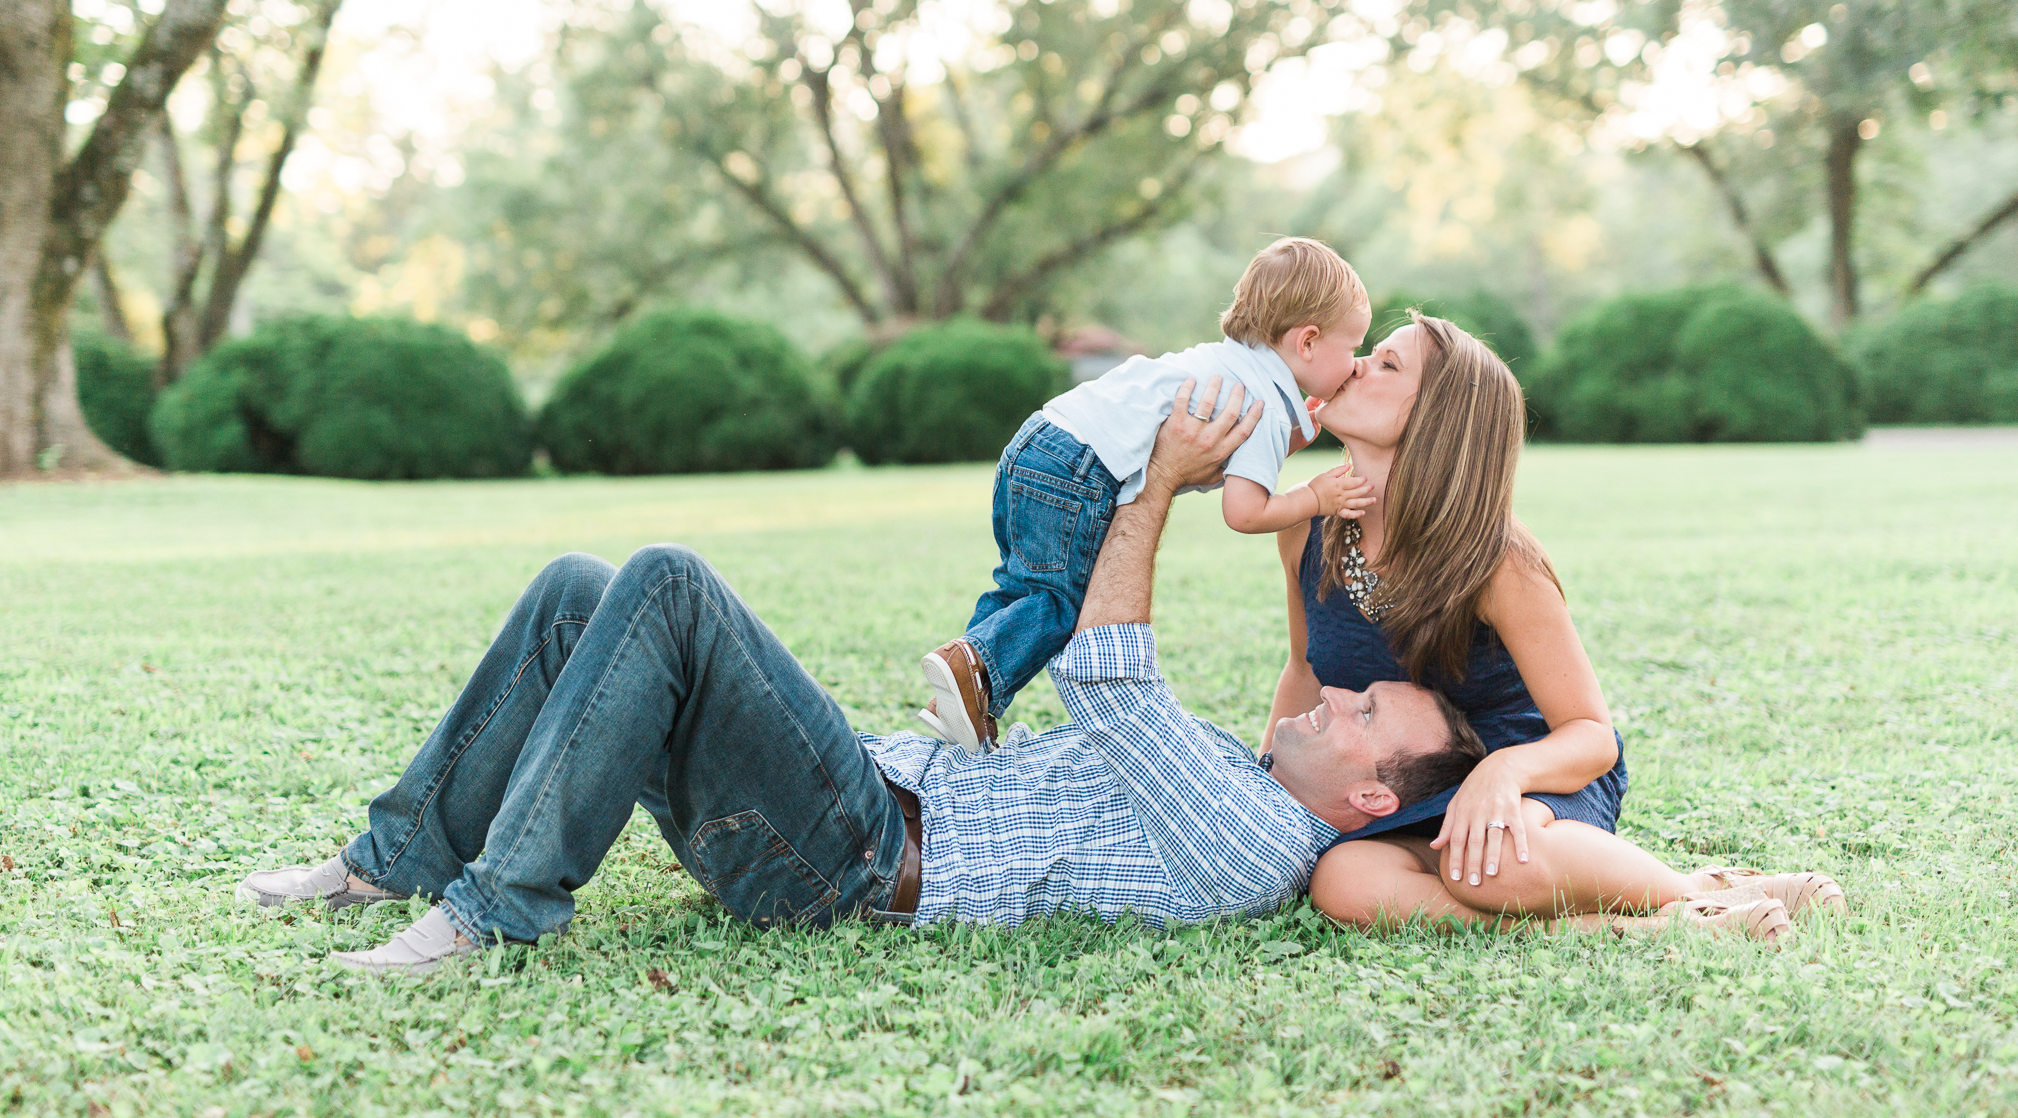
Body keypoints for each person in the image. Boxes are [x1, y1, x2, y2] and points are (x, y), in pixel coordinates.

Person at [237, 378, 1487, 974]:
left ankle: (491, 912)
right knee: (580, 585)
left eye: (1365, 715)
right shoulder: (1240, 765)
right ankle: (388, 862)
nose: (1336, 694)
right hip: (845, 795)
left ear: (1368, 799)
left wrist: (1156, 483)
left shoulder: (1254, 839)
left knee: (667, 577)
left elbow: (1106, 681)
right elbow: (1238, 654)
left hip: (844, 860)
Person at [1266, 312, 1847, 943]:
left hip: (1537, 779)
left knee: (1484, 871)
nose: (1354, 365)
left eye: (1387, 364)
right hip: (1406, 791)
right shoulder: (1306, 524)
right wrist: (1262, 790)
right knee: (1342, 879)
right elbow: (1304, 671)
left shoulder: (1497, 560)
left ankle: (1702, 893)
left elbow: (1592, 735)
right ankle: (1601, 931)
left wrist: (1504, 772)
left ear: (1436, 419)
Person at [917, 237, 1375, 752]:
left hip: (1039, 442)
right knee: (1061, 604)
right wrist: (1316, 496)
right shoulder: (1264, 402)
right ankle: (970, 671)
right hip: (1082, 469)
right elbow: (1245, 511)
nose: (1357, 363)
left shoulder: (1231, 366)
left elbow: (1236, 458)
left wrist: (1293, 432)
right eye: (1353, 347)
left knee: (1020, 588)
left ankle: (960, 701)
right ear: (1308, 342)